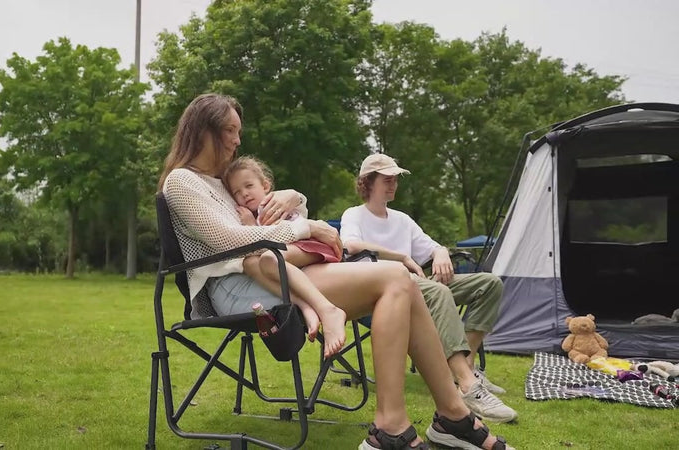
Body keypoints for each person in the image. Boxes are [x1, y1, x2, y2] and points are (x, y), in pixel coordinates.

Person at [159, 93, 514, 449]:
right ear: (203, 130)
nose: (237, 140)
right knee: (394, 278)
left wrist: (294, 197)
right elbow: (228, 240)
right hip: (235, 287)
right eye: (230, 131)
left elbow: (271, 210)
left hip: (271, 269)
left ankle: (448, 416)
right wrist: (308, 228)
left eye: (238, 131)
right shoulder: (182, 182)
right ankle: (405, 427)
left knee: (400, 279)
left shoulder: (224, 181)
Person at [339, 153, 517, 423]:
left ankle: (466, 365)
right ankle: (468, 386)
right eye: (386, 180)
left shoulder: (402, 220)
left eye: (395, 180)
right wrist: (401, 258)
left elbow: (431, 247)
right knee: (438, 291)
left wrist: (442, 252)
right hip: (383, 295)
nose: (393, 185)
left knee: (489, 284)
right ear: (368, 183)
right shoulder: (355, 215)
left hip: (419, 286)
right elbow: (351, 247)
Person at [222, 155, 346, 358]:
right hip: (298, 252)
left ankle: (328, 310)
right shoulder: (257, 213)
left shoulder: (272, 205)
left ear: (265, 185)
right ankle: (306, 307)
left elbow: (273, 238)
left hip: (313, 245)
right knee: (250, 263)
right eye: (237, 192)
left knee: (270, 259)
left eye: (248, 186)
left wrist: (251, 226)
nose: (244, 194)